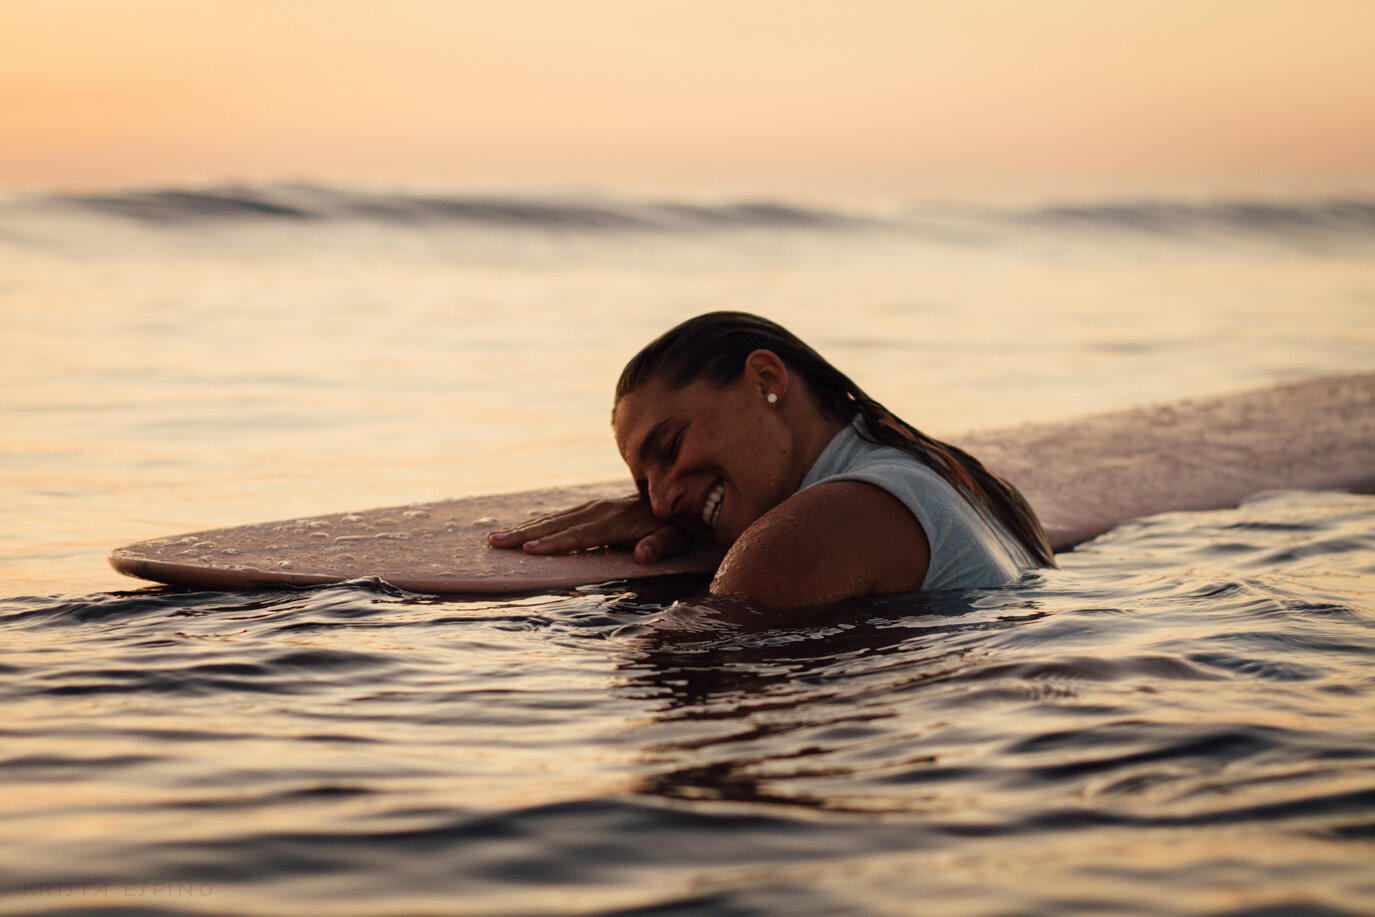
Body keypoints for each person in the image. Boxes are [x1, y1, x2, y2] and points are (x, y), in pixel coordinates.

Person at [488, 312, 1054, 607]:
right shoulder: (964, 480)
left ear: (766, 379)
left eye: (669, 448)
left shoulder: (828, 522)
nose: (661, 499)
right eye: (644, 485)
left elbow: (689, 681)